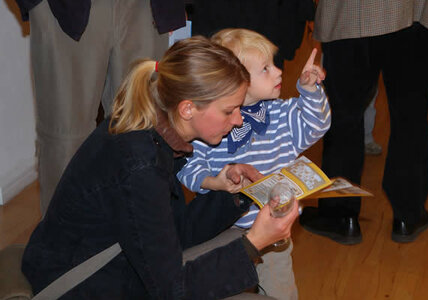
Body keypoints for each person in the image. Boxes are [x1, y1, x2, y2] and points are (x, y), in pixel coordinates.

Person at [21, 37, 300, 299]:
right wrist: (254, 242)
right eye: (229, 111)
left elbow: (170, 232)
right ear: (187, 109)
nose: (239, 121)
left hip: (110, 268)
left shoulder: (155, 134)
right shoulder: (141, 163)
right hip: (81, 286)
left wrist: (235, 194)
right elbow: (170, 290)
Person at [177, 29, 330, 299]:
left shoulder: (281, 114)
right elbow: (188, 168)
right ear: (237, 81)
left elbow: (316, 125)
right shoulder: (212, 123)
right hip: (220, 232)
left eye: (273, 63)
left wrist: (309, 91)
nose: (279, 72)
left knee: (281, 292)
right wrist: (212, 182)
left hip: (274, 235)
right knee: (222, 289)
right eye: (265, 69)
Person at [14, 0, 186, 216]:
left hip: (144, 7)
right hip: (67, 8)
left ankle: (142, 243)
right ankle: (63, 246)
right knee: (66, 140)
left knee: (144, 131)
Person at [300, 0, 428, 245]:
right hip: (413, 14)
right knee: (410, 116)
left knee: (344, 116)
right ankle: (408, 215)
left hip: (350, 12)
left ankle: (341, 215)